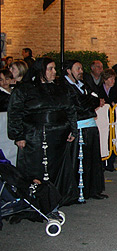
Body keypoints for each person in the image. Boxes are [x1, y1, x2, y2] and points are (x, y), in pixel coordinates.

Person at [7, 57, 79, 205]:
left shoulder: (60, 88)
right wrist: (18, 135)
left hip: (58, 136)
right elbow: (15, 113)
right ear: (41, 71)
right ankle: (36, 200)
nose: (54, 72)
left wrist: (73, 129)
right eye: (50, 69)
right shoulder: (25, 89)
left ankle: (57, 197)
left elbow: (70, 109)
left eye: (54, 68)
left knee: (57, 168)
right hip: (35, 137)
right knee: (37, 169)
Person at [61, 60, 108, 201]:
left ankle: (93, 189)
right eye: (78, 68)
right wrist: (92, 101)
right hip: (79, 127)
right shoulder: (65, 87)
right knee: (81, 161)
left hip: (90, 125)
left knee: (93, 160)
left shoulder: (82, 84)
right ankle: (80, 192)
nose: (81, 71)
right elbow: (80, 104)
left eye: (81, 68)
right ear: (69, 71)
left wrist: (91, 101)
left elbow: (95, 96)